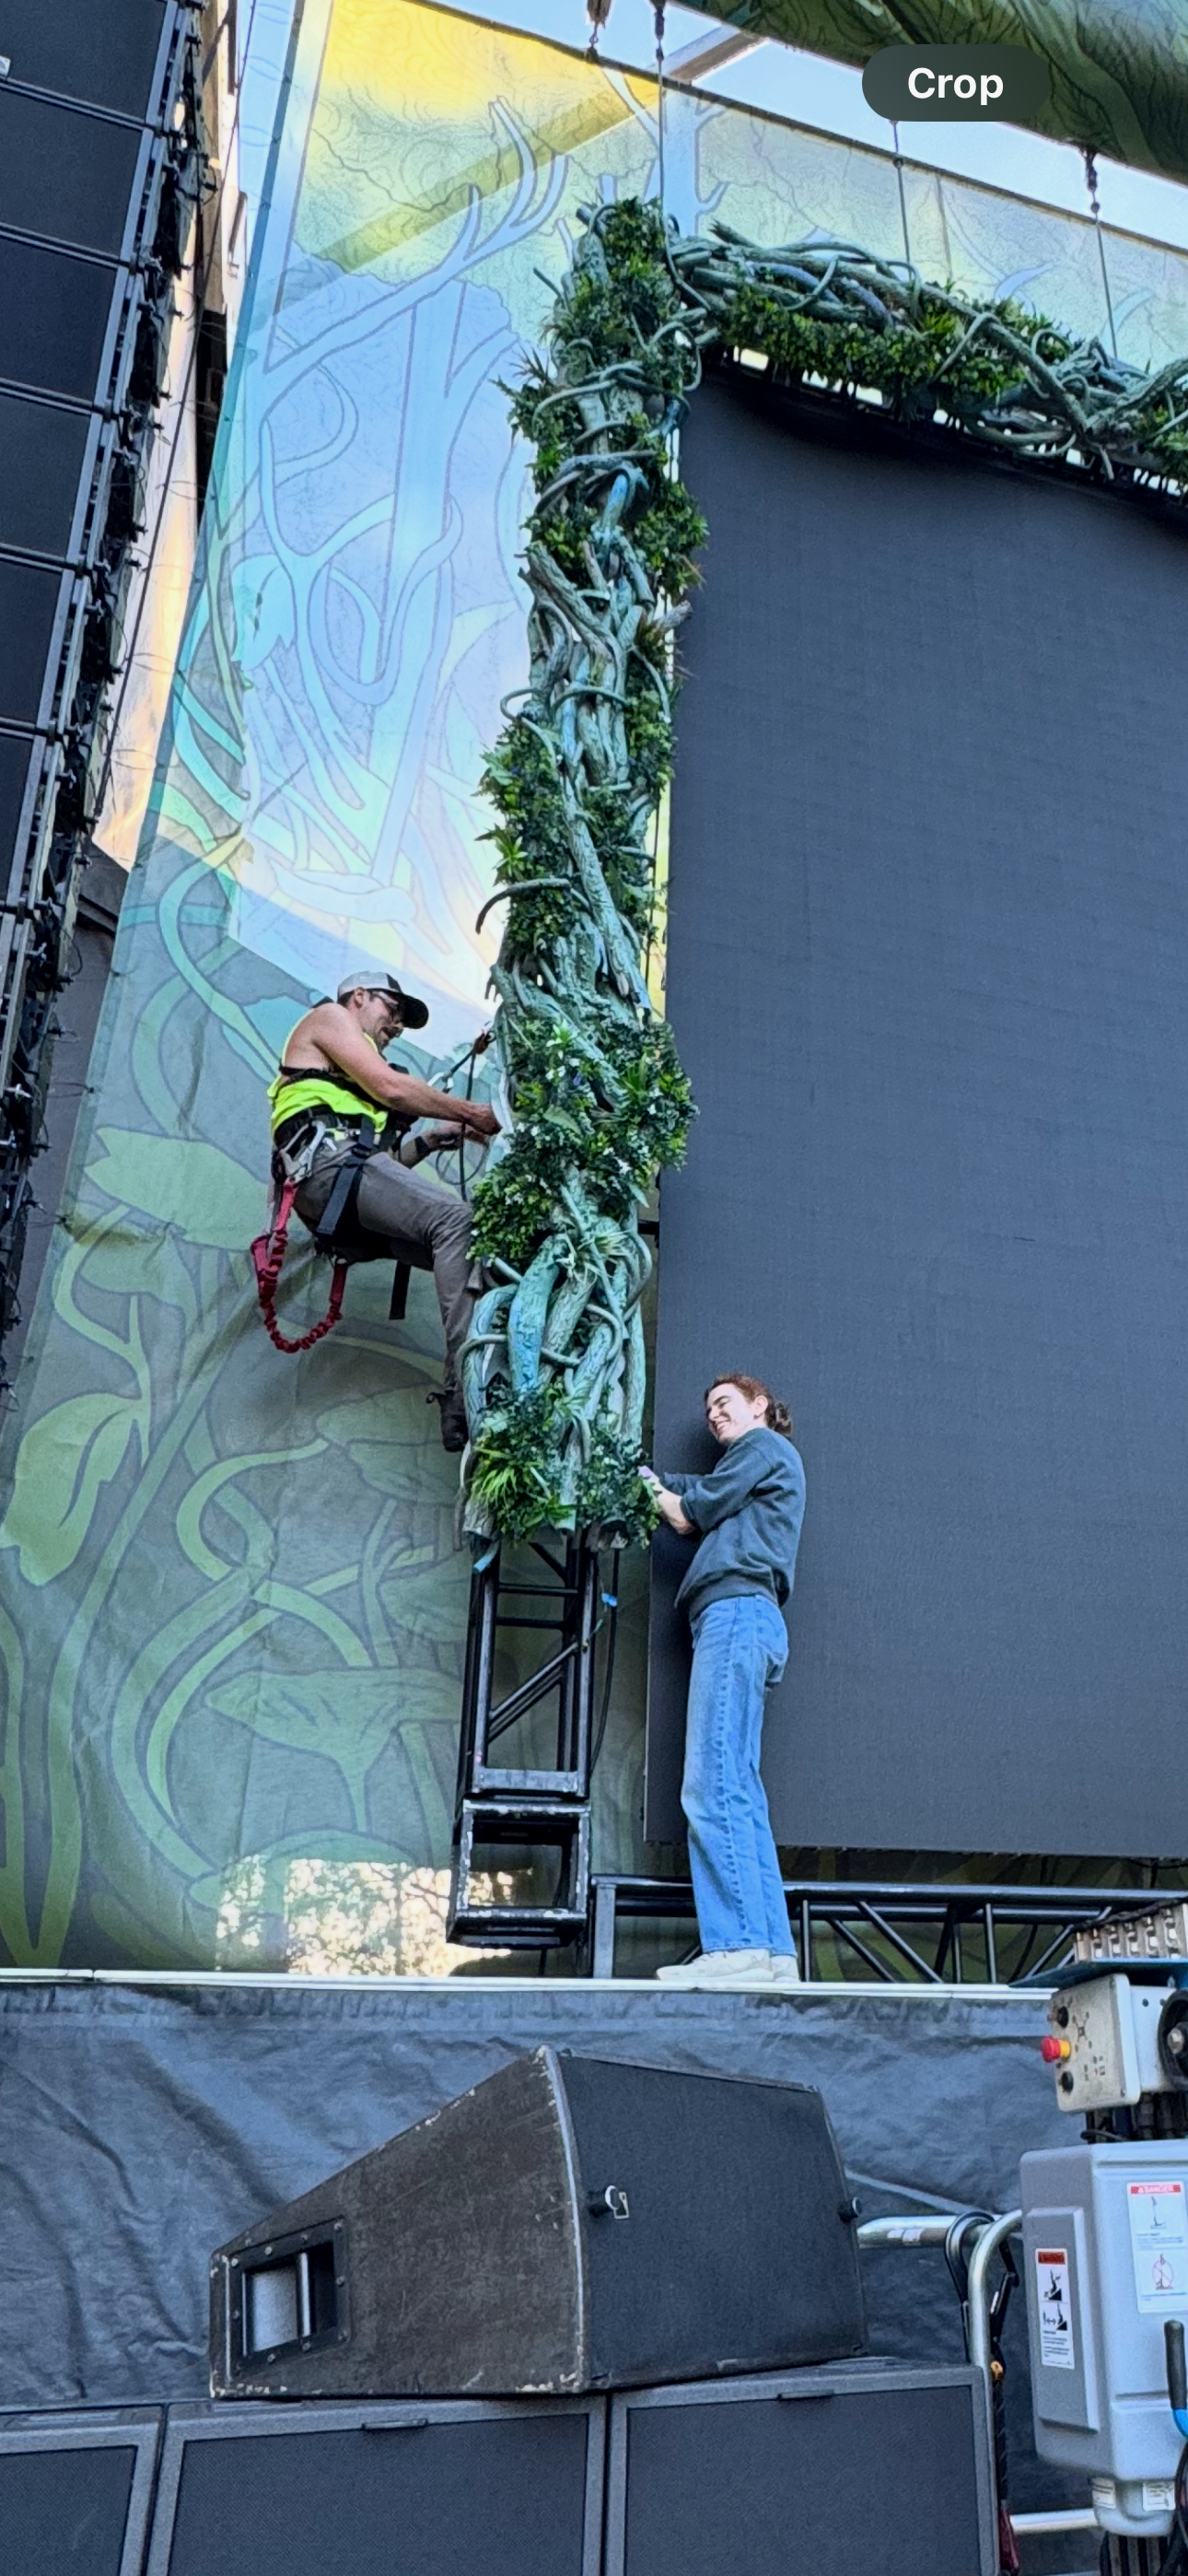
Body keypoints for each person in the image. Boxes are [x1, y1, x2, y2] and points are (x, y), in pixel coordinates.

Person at [268, 969, 498, 1450]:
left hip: (339, 1190)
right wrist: (474, 1113)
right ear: (359, 996)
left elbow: (378, 1170)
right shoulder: (330, 1017)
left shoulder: (346, 1078)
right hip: (327, 1169)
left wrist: (431, 1141)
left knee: (475, 1252)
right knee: (456, 1221)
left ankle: (467, 1404)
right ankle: (466, 1387)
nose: (396, 1026)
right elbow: (390, 1089)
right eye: (392, 1011)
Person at [642, 1373, 806, 1990]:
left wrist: (647, 1489)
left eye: (724, 1403)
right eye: (708, 1408)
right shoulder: (754, 1466)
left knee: (711, 1782)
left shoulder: (762, 1447)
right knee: (738, 1788)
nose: (713, 1415)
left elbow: (689, 1513)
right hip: (750, 1620)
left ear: (760, 1405)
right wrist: (651, 1480)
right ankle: (772, 1954)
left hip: (733, 1615)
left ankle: (737, 1944)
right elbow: (693, 1489)